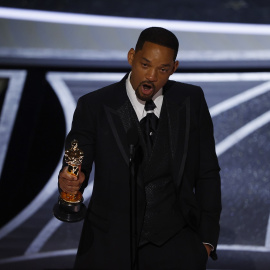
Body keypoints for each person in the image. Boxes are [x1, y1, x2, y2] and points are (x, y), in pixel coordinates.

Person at [58, 27, 222, 270]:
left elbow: (207, 172)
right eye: (145, 65)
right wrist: (70, 184)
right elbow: (76, 162)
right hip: (109, 247)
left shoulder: (190, 99)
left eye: (163, 69)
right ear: (131, 57)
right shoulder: (95, 105)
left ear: (174, 68)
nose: (152, 76)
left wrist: (206, 241)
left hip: (177, 247)